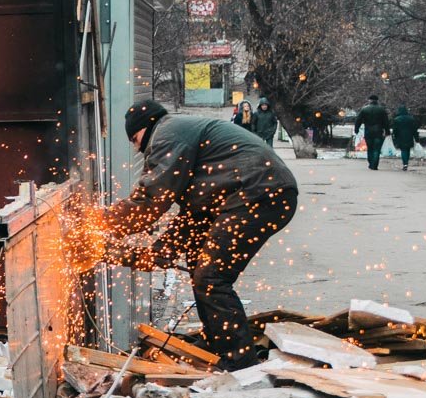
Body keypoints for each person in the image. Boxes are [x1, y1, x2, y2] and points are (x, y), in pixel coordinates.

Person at [104, 101, 298, 371]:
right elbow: (192, 215)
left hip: (258, 192)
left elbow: (151, 201)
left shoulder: (167, 134)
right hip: (251, 193)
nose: (137, 148)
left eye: (135, 139)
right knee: (199, 267)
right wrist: (155, 251)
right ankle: (218, 344)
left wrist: (100, 222)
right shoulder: (187, 141)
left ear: (146, 127)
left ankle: (241, 363)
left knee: (211, 277)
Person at [354, 94, 391, 170]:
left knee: (370, 148)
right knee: (376, 149)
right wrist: (387, 131)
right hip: (378, 132)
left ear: (369, 100)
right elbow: (386, 122)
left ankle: (371, 162)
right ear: (377, 101)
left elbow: (358, 120)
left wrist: (356, 129)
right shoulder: (382, 110)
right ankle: (374, 165)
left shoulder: (364, 109)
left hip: (368, 132)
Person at [391, 106, 418, 171]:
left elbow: (395, 129)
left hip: (400, 136)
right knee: (407, 149)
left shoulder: (396, 119)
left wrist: (394, 136)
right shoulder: (411, 119)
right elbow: (414, 129)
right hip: (409, 136)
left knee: (403, 150)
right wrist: (416, 137)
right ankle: (406, 162)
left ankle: (404, 163)